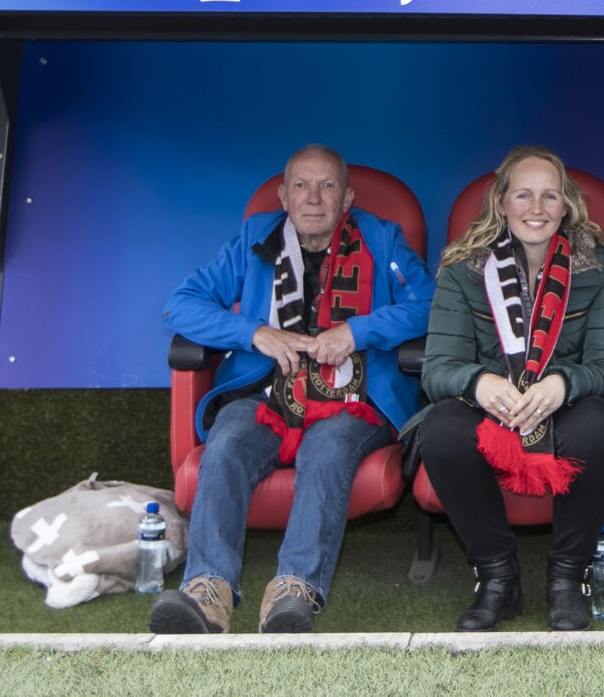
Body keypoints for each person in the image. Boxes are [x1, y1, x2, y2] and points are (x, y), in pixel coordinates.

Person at [151, 146, 435, 635]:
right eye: (301, 186)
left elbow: (431, 305)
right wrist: (254, 333)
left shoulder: (382, 239)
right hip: (268, 396)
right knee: (228, 439)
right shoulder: (255, 239)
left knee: (327, 448)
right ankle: (207, 591)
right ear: (283, 196)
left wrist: (357, 332)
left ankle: (294, 591)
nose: (313, 198)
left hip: (355, 402)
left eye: (327, 186)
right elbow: (181, 305)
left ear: (347, 197)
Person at [414, 146, 604, 632]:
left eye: (550, 196)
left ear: (567, 205)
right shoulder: (462, 270)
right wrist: (479, 380)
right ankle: (496, 579)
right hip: (491, 406)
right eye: (524, 195)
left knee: (601, 424)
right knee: (442, 429)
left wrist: (563, 383)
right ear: (501, 203)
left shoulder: (599, 268)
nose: (537, 209)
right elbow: (437, 371)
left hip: (565, 405)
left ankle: (567, 580)